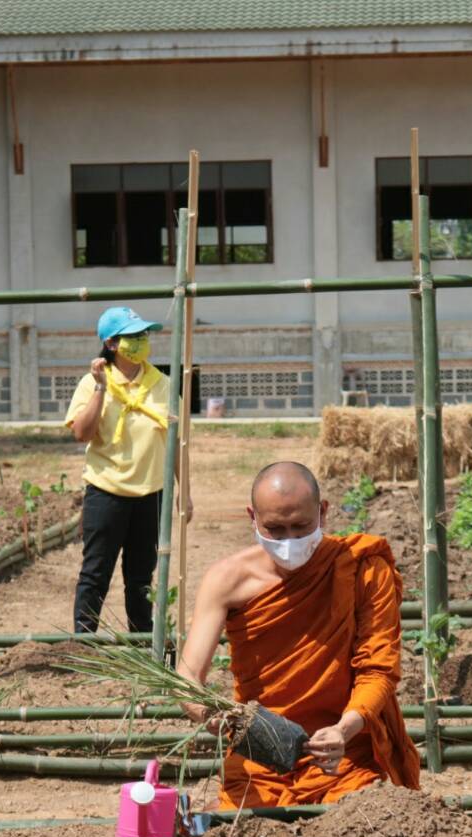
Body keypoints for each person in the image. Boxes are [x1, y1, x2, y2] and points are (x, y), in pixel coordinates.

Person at [177, 461, 421, 809]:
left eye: (301, 526)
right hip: (260, 759)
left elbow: (378, 669)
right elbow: (186, 676)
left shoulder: (362, 567)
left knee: (361, 831)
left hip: (344, 756)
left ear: (322, 512)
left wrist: (344, 730)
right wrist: (210, 715)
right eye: (275, 529)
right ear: (253, 517)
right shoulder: (228, 580)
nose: (289, 540)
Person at [65, 306, 190, 634]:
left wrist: (184, 492)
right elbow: (82, 433)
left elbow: (175, 443)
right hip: (106, 493)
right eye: (133, 337)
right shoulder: (90, 384)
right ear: (111, 344)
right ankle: (84, 644)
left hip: (151, 495)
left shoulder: (162, 385)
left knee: (140, 577)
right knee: (95, 572)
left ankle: (142, 642)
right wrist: (101, 388)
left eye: (144, 335)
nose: (141, 342)